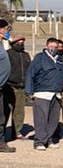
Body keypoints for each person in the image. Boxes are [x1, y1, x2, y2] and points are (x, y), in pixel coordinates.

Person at [25, 37, 63, 150]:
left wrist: (61, 90)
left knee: (53, 119)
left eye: (55, 47)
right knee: (41, 119)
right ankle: (39, 141)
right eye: (51, 46)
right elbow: (30, 73)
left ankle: (49, 139)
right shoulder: (40, 58)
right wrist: (29, 91)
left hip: (56, 94)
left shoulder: (60, 60)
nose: (53, 49)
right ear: (46, 46)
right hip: (42, 93)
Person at [4, 35, 31, 139]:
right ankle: (2, 131)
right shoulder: (8, 54)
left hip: (21, 87)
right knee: (6, 110)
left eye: (22, 41)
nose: (21, 43)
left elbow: (29, 70)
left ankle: (17, 132)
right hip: (9, 86)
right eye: (18, 42)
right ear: (13, 43)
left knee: (19, 111)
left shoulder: (26, 55)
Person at [0, 19, 15, 153]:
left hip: (1, 87)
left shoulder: (2, 44)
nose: (8, 31)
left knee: (1, 115)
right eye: (6, 29)